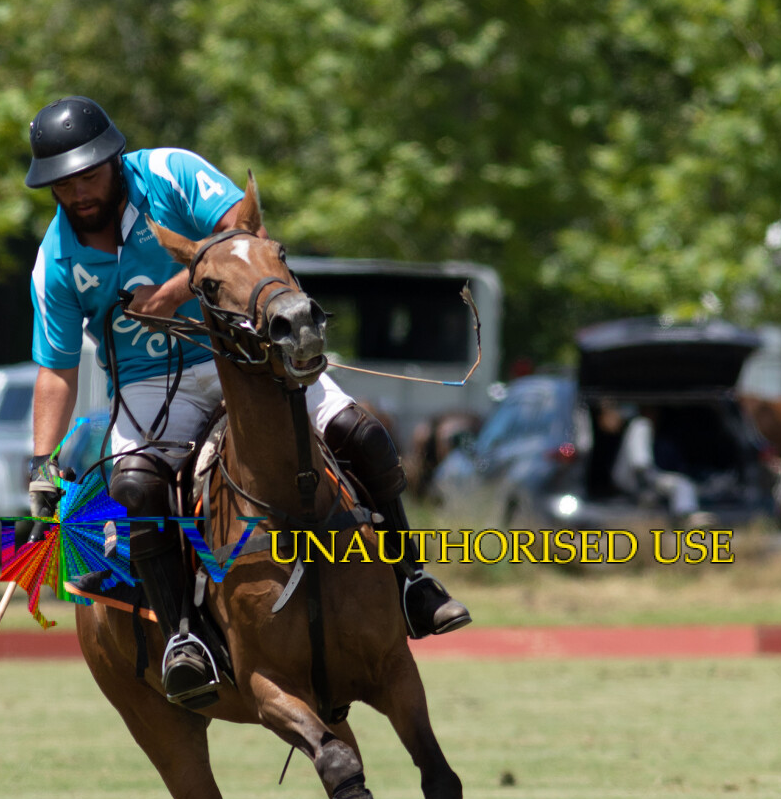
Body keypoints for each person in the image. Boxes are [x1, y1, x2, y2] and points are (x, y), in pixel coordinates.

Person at [24, 96, 470, 707]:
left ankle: (412, 581)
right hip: (148, 386)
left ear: (114, 160)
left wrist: (173, 292)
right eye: (64, 183)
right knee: (135, 489)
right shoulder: (54, 261)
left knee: (360, 432)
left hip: (240, 354)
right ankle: (184, 638)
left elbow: (245, 231)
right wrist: (43, 463)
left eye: (89, 176)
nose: (78, 192)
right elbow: (55, 370)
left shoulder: (170, 173)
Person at [611, 405, 700, 518]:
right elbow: (640, 465)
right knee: (683, 484)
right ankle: (686, 515)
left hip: (633, 481)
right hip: (637, 482)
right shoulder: (641, 424)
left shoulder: (637, 426)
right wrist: (646, 489)